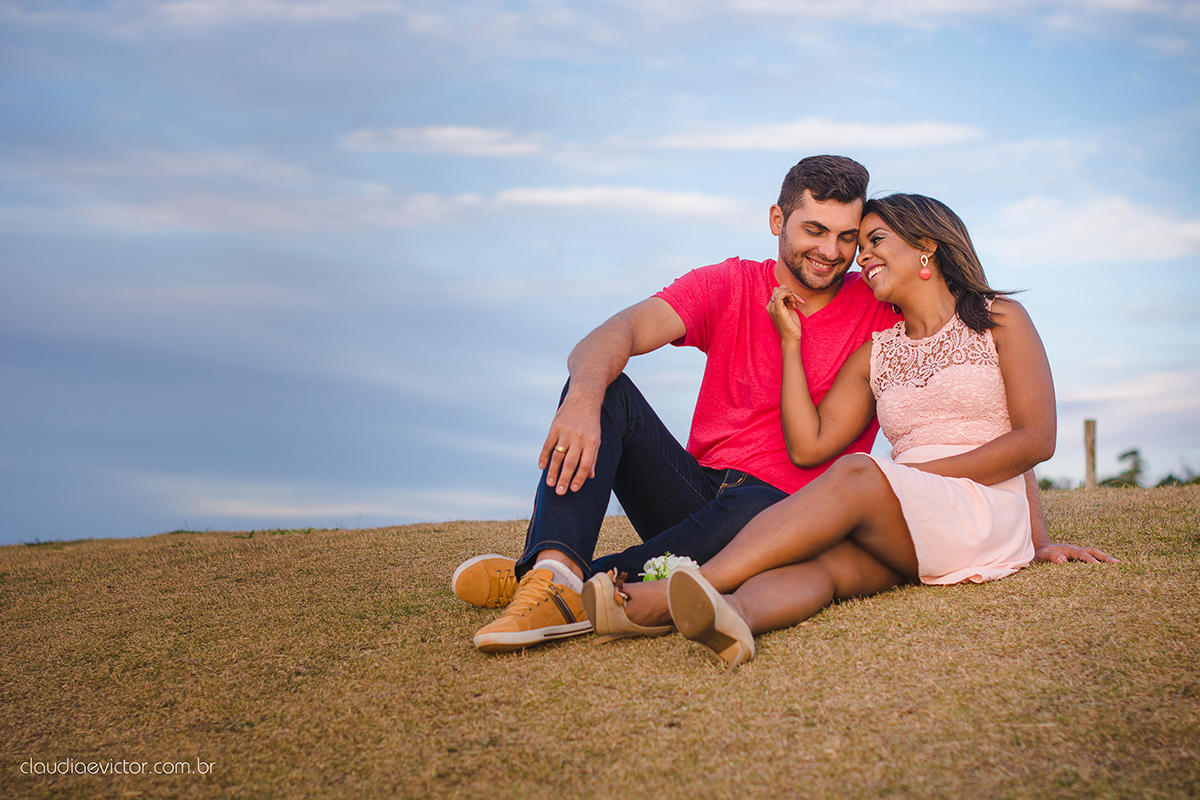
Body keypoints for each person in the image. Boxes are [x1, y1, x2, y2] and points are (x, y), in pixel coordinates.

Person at [584, 193, 1117, 668]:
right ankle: (729, 615)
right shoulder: (878, 353)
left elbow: (1032, 441)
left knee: (859, 472)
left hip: (976, 509)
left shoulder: (1000, 319)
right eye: (861, 247)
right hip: (905, 514)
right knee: (823, 571)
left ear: (926, 246)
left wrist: (1033, 539)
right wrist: (790, 344)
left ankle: (682, 587)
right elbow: (808, 443)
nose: (861, 257)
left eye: (874, 240)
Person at [452, 155, 912, 653]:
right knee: (606, 387)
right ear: (777, 220)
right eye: (815, 230)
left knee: (760, 502)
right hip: (698, 491)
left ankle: (548, 576)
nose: (830, 251)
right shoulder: (729, 284)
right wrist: (582, 400)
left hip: (784, 512)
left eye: (847, 237)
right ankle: (555, 570)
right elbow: (617, 331)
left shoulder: (877, 305)